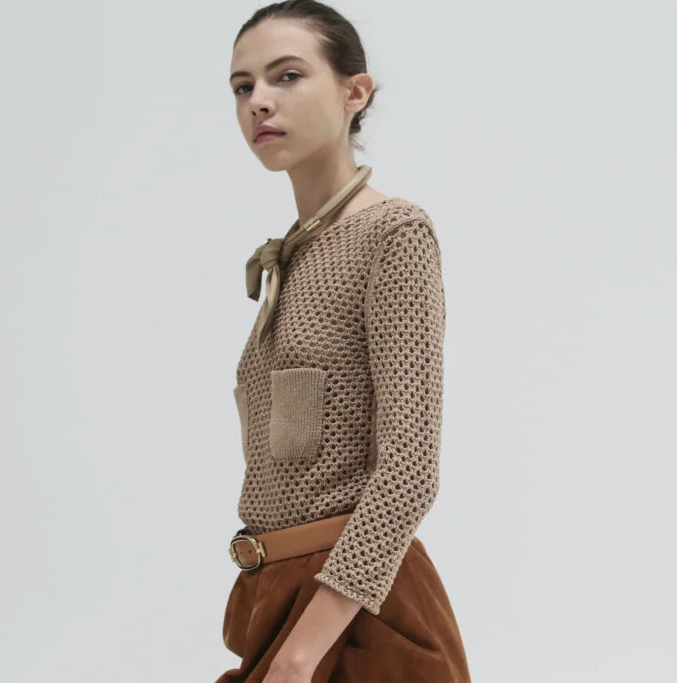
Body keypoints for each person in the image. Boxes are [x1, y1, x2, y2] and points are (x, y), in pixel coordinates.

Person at [218, 2, 470, 681]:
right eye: (242, 86)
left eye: (287, 76)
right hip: (277, 597)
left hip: (359, 615)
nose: (258, 101)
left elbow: (410, 471)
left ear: (354, 92)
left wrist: (303, 653)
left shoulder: (393, 235)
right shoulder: (293, 255)